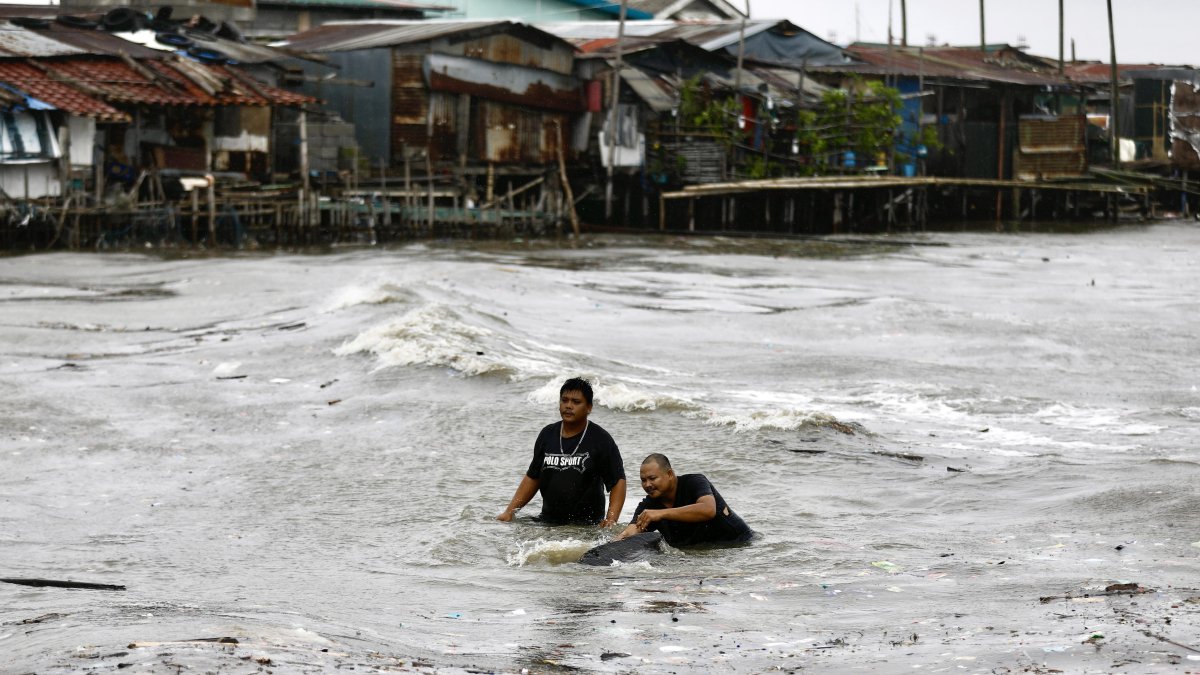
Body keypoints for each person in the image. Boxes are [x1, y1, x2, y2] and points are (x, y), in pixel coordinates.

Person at [497, 377, 626, 527]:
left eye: (576, 402)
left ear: (589, 407)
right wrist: (510, 512)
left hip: (586, 526)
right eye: (564, 400)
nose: (568, 406)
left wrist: (611, 520)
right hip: (547, 522)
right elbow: (533, 477)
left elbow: (618, 481)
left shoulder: (600, 439)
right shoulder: (547, 434)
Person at [616, 453, 753, 547]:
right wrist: (617, 540)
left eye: (652, 478)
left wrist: (661, 514)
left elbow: (708, 510)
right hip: (699, 552)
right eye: (643, 480)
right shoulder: (649, 505)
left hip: (739, 544)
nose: (647, 485)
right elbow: (632, 531)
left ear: (669, 474)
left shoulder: (694, 482)